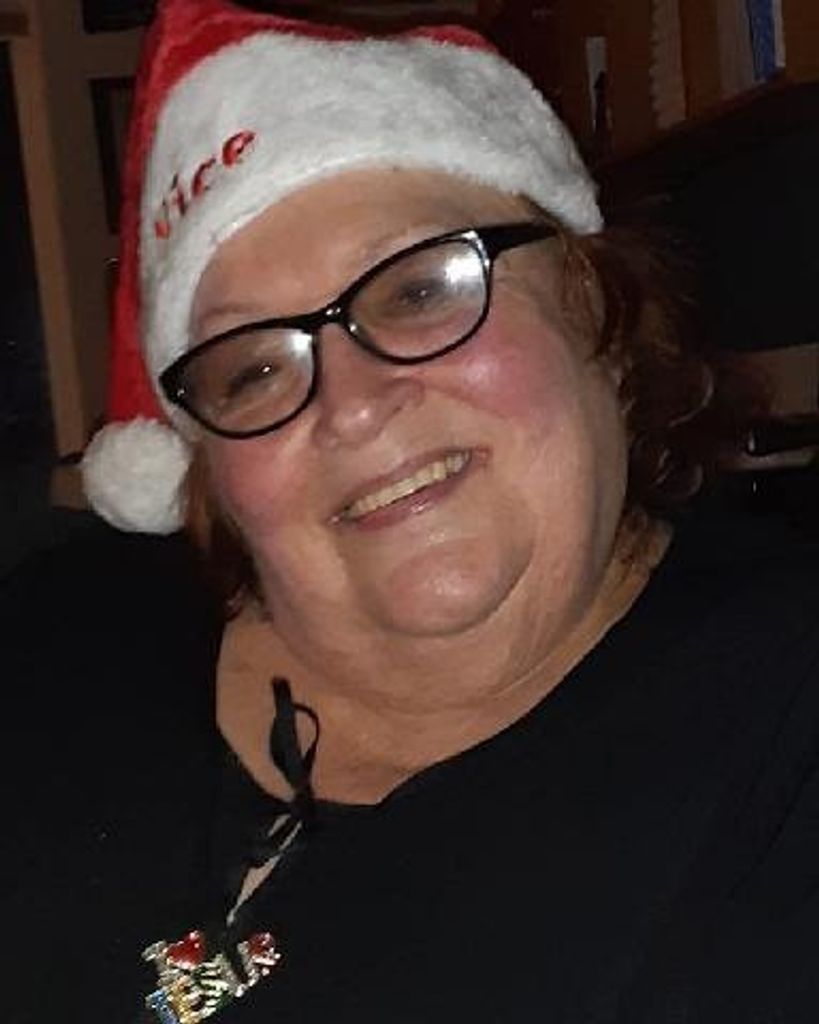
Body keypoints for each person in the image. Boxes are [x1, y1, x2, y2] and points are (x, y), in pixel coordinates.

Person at [4, 0, 819, 1021]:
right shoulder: (50, 636)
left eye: (420, 290)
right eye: (254, 366)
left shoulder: (784, 731)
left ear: (596, 308)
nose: (351, 406)